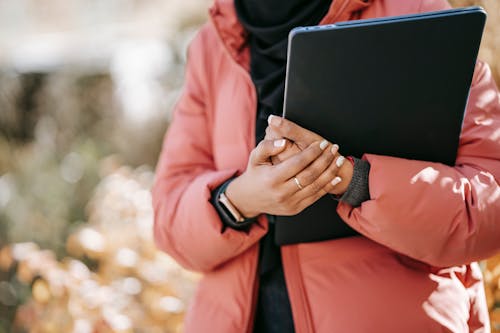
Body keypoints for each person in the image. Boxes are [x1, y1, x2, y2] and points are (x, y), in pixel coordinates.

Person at [152, 0, 500, 331]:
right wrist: (238, 199)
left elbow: (489, 209)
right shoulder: (210, 45)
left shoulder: (415, 11)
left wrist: (354, 181)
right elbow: (168, 221)